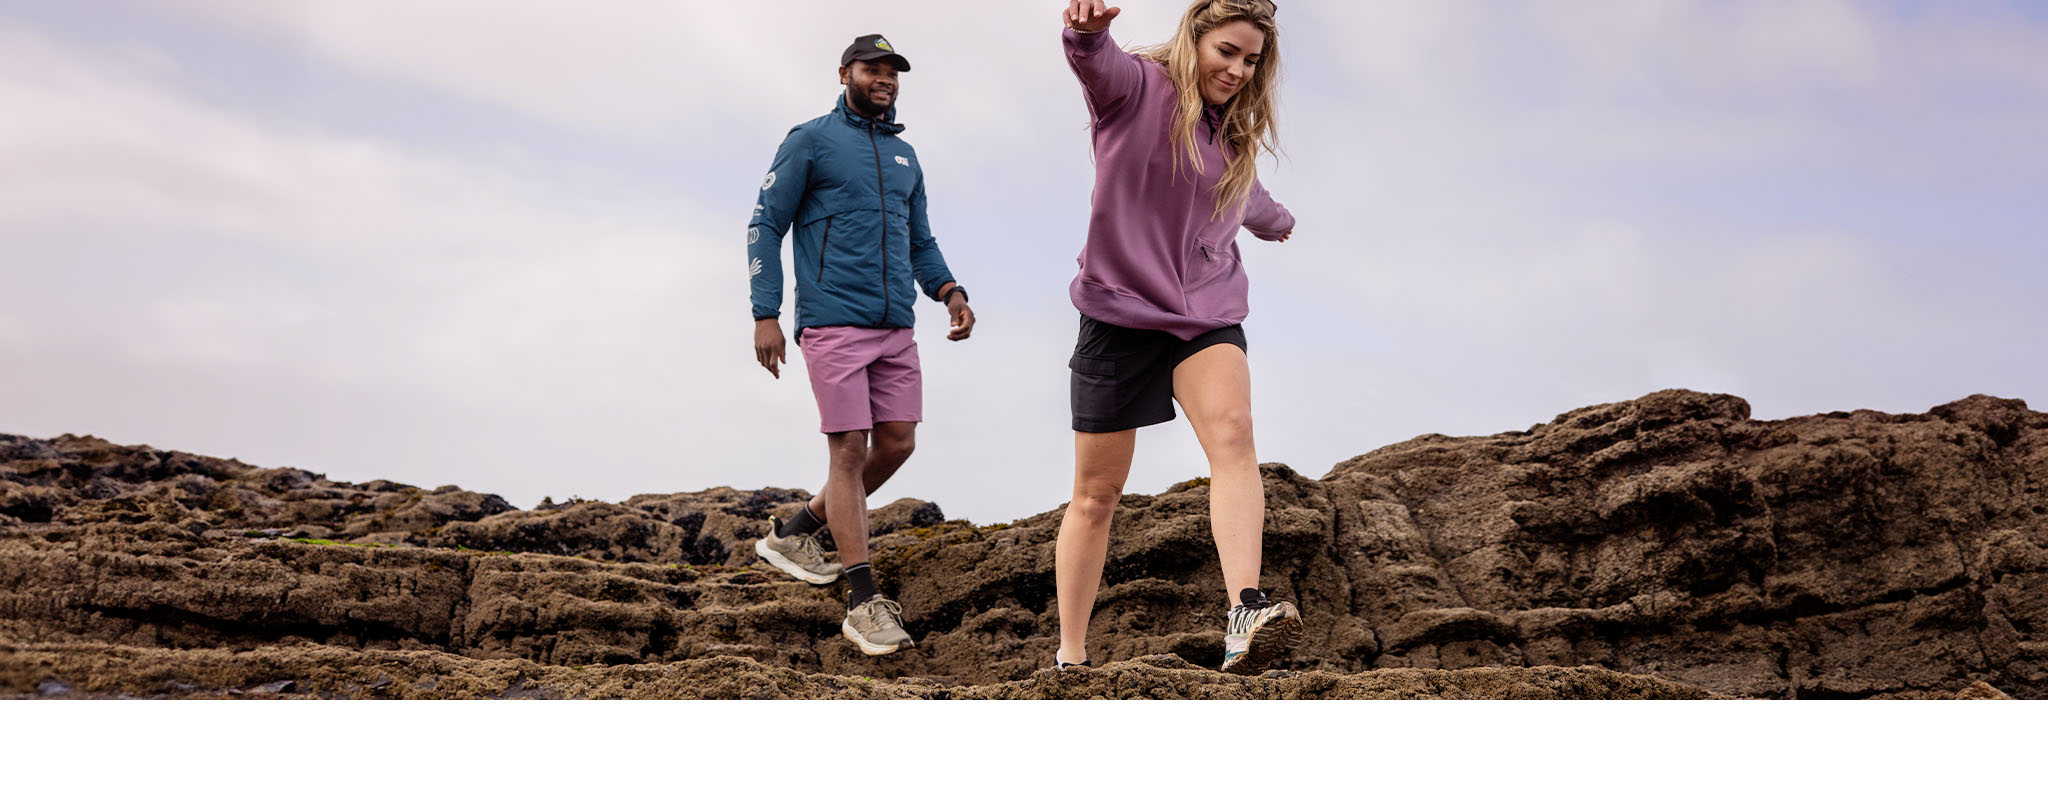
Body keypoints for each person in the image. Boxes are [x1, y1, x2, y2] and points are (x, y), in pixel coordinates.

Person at [1053, 0, 1300, 675]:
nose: (1239, 70)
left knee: (1234, 432)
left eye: (1251, 60)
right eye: (1227, 52)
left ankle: (1245, 608)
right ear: (1195, 40)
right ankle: (1071, 656)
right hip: (1117, 313)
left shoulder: (1233, 139)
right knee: (1096, 494)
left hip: (1205, 315)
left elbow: (1250, 200)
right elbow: (1092, 62)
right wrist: (1085, 30)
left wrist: (1280, 223)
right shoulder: (1137, 88)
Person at [746, 33, 976, 656]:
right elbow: (766, 223)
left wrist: (949, 291)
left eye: (893, 71)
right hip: (832, 321)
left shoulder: (906, 158)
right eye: (873, 69)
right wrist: (765, 312)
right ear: (844, 72)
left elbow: (920, 240)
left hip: (895, 324)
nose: (886, 79)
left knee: (898, 442)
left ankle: (796, 534)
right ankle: (860, 598)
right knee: (847, 449)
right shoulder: (810, 140)